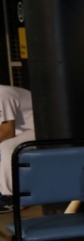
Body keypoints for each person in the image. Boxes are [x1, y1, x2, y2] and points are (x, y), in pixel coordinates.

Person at [0, 84, 35, 212]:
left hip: (40, 129)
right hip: (21, 131)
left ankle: (12, 198)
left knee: (7, 147)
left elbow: (7, 132)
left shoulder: (1, 93)